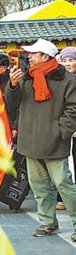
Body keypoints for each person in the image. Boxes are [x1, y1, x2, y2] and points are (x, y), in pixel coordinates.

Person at [5, 39, 76, 242]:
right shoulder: (26, 77)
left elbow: (73, 108)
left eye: (33, 53)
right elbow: (10, 104)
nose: (29, 57)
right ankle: (48, 223)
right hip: (30, 140)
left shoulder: (67, 79)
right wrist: (12, 85)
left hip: (55, 140)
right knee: (39, 186)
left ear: (45, 56)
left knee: (63, 184)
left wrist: (61, 131)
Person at [60, 47, 76, 184]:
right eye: (64, 60)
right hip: (66, 127)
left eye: (71, 60)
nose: (67, 64)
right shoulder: (60, 80)